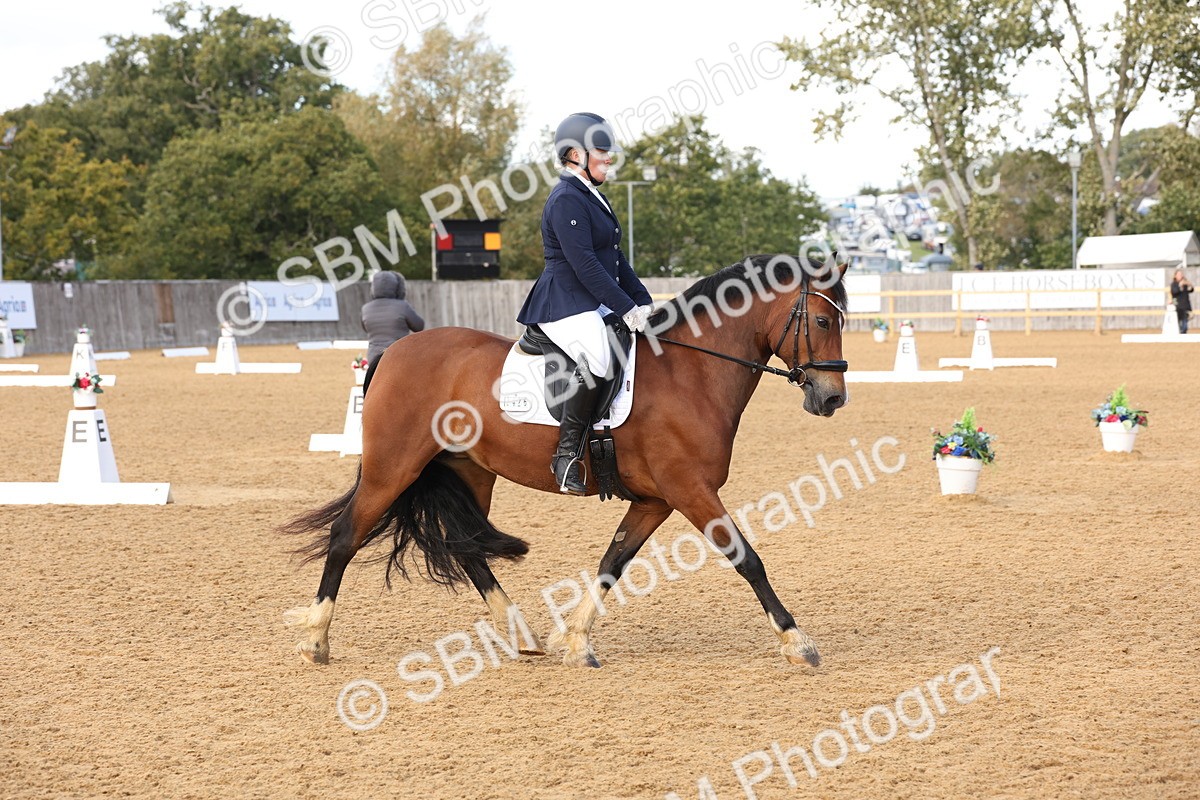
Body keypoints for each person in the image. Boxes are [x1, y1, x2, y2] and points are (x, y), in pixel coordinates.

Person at [516, 112, 654, 495]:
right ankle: (566, 456)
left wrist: (642, 300)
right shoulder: (564, 200)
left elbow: (614, 257)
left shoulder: (593, 196)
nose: (609, 158)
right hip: (564, 302)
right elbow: (585, 264)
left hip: (591, 299)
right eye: (602, 152)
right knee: (597, 355)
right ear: (575, 154)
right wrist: (625, 307)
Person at [361, 270, 425, 364]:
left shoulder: (365, 308)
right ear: (396, 287)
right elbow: (419, 326)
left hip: (373, 358)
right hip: (399, 355)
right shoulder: (402, 306)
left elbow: (365, 328)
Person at [1171, 269, 1194, 334]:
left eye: (1181, 274)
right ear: (1175, 276)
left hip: (1185, 305)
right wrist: (1180, 285)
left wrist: (1190, 285)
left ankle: (1183, 332)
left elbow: (1190, 290)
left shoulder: (1185, 283)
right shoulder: (1174, 284)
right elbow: (1174, 292)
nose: (1180, 276)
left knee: (1185, 323)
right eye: (1179, 274)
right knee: (1180, 322)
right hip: (1178, 306)